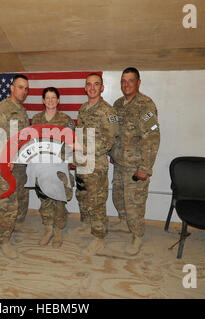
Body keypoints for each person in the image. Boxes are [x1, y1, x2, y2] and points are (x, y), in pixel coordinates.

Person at [110, 67, 160, 256]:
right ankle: (124, 223)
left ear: (138, 83)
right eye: (123, 81)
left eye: (131, 81)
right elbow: (114, 131)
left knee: (134, 204)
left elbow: (153, 137)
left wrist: (145, 168)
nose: (126, 84)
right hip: (119, 163)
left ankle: (137, 236)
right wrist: (112, 153)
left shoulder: (145, 105)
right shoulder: (118, 104)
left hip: (136, 166)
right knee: (118, 198)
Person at [0, 74, 31, 259]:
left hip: (18, 165)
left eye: (26, 88)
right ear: (12, 88)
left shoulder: (21, 110)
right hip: (2, 167)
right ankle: (3, 240)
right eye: (20, 87)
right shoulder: (0, 109)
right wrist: (5, 157)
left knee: (19, 198)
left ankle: (13, 228)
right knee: (7, 204)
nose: (23, 91)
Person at [75, 73, 119, 256]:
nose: (92, 88)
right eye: (89, 84)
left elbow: (109, 142)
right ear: (85, 88)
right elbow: (79, 134)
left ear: (102, 87)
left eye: (96, 84)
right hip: (81, 163)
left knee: (97, 201)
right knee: (83, 196)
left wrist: (83, 148)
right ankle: (88, 226)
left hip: (97, 165)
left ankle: (99, 237)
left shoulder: (108, 111)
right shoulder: (83, 109)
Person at [31, 87, 75, 248]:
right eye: (47, 98)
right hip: (42, 167)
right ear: (43, 100)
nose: (50, 100)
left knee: (59, 200)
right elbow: (32, 144)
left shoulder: (66, 120)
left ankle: (58, 231)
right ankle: (48, 228)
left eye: (53, 97)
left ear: (58, 100)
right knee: (45, 200)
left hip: (59, 167)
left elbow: (70, 144)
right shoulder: (36, 119)